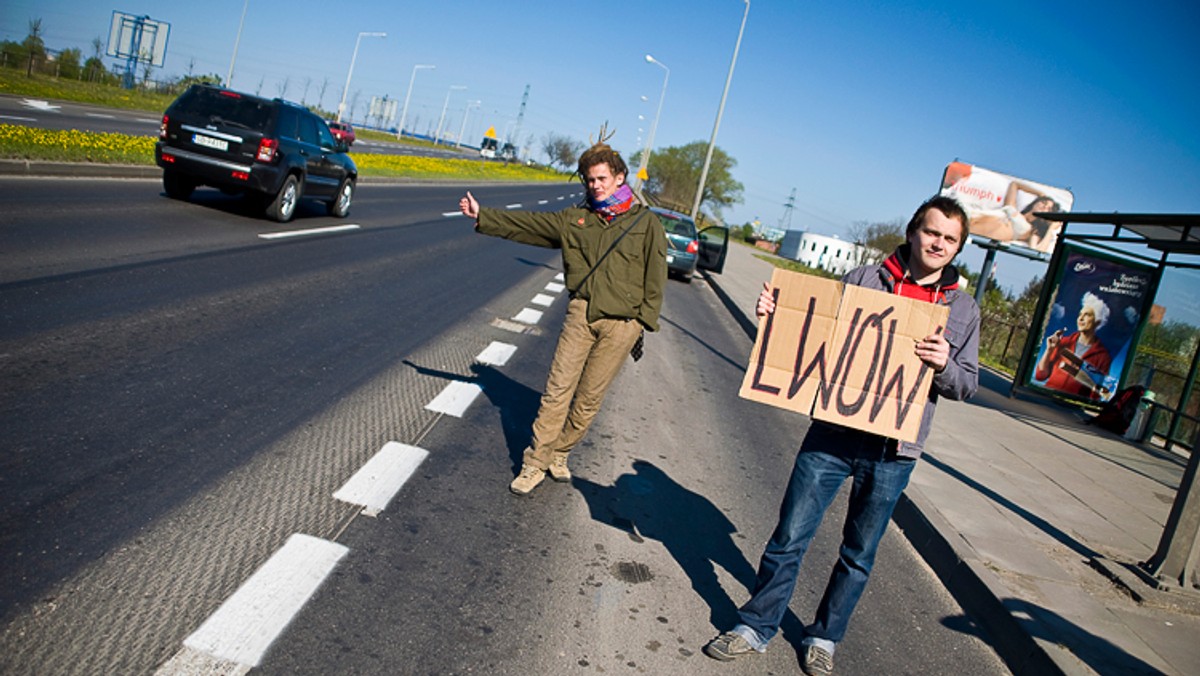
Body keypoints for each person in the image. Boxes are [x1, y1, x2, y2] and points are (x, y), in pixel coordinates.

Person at [703, 195, 981, 675]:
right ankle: (756, 625)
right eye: (932, 232)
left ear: (958, 249)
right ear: (914, 231)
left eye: (950, 239)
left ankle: (824, 637)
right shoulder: (863, 280)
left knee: (859, 553)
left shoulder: (962, 309)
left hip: (895, 451)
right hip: (833, 433)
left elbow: (967, 382)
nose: (939, 243)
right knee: (790, 534)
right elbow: (813, 332)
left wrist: (942, 365)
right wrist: (776, 313)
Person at [458, 129, 668, 496]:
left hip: (621, 326)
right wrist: (484, 216)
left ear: (620, 178)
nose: (596, 185)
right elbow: (529, 225)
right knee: (557, 391)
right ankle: (535, 463)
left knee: (588, 400)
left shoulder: (645, 223)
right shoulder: (575, 220)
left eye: (602, 178)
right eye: (590, 180)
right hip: (582, 314)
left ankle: (561, 452)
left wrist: (640, 325)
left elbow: (656, 278)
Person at [1034, 291, 1112, 399]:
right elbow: (1040, 376)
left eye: (1087, 315)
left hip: (1072, 406)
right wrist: (1049, 350)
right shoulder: (1063, 342)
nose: (1080, 319)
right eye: (1080, 314)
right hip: (1048, 396)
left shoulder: (1103, 356)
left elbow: (1096, 393)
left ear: (1097, 322)